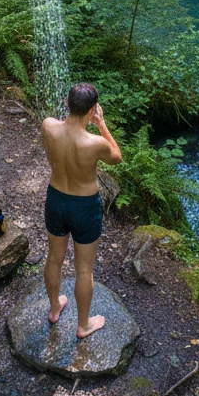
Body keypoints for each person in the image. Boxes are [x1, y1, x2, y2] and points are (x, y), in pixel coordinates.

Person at [41, 82, 121, 338]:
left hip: (56, 199)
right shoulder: (95, 143)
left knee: (54, 257)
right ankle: (83, 325)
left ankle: (55, 309)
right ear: (92, 110)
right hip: (84, 206)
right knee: (84, 269)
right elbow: (117, 156)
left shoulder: (48, 126)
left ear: (68, 104)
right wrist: (102, 124)